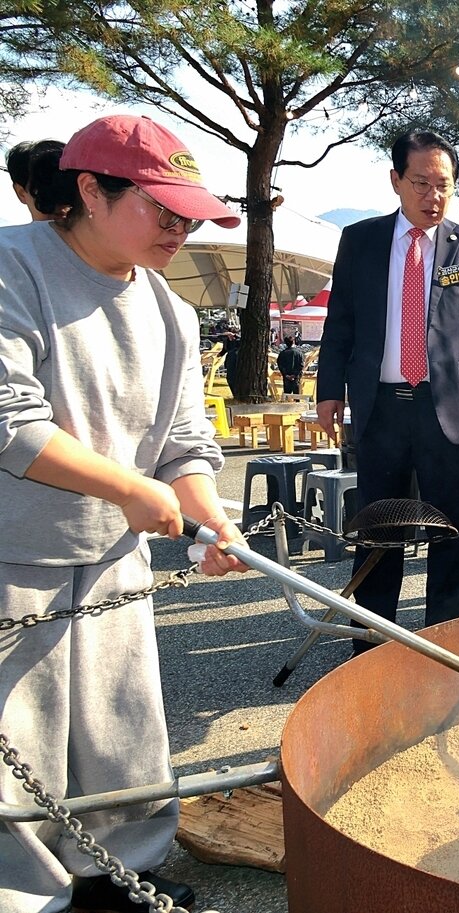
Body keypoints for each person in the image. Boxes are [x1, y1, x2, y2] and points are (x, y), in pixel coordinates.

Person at [0, 114, 246, 913]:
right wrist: (128, 488)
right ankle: (26, 892)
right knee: (20, 740)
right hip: (17, 551)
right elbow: (11, 418)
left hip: (116, 557)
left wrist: (210, 517)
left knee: (122, 728)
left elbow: (183, 441)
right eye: (161, 209)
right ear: (89, 192)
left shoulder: (170, 311)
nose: (181, 229)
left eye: (189, 214)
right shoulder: (14, 267)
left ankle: (119, 874)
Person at [316, 130, 459, 646]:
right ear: (396, 180)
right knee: (380, 531)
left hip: (450, 410)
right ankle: (371, 644)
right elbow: (341, 322)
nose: (432, 196)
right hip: (382, 411)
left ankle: (441, 644)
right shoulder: (362, 241)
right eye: (420, 182)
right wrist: (329, 390)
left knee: (453, 530)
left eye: (443, 185)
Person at [5, 139, 64, 222]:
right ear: (21, 193)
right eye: (44, 190)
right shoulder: (8, 235)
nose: (61, 204)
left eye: (66, 187)